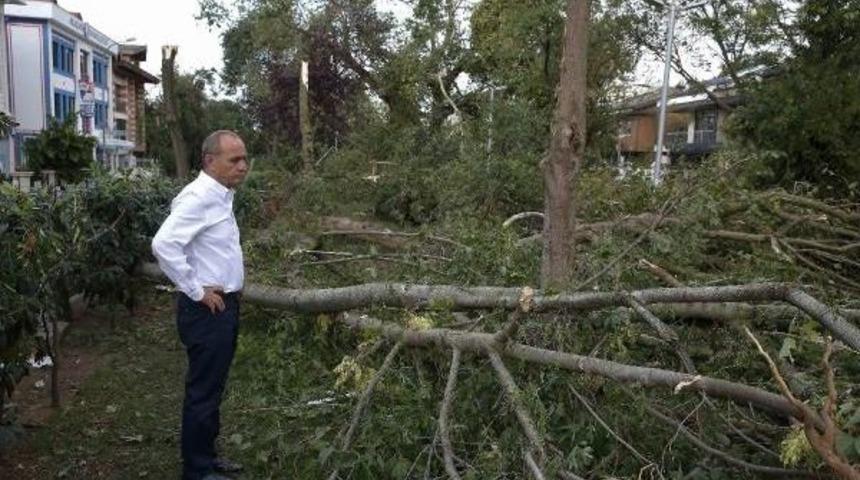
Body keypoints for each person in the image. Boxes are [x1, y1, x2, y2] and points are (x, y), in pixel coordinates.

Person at [152, 130, 249, 480]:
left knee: (213, 386)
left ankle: (206, 456)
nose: (243, 166)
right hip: (208, 311)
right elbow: (164, 245)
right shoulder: (198, 198)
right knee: (203, 391)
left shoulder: (221, 195)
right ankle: (197, 471)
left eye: (244, 158)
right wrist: (197, 290)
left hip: (224, 306)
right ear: (210, 161)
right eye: (234, 160)